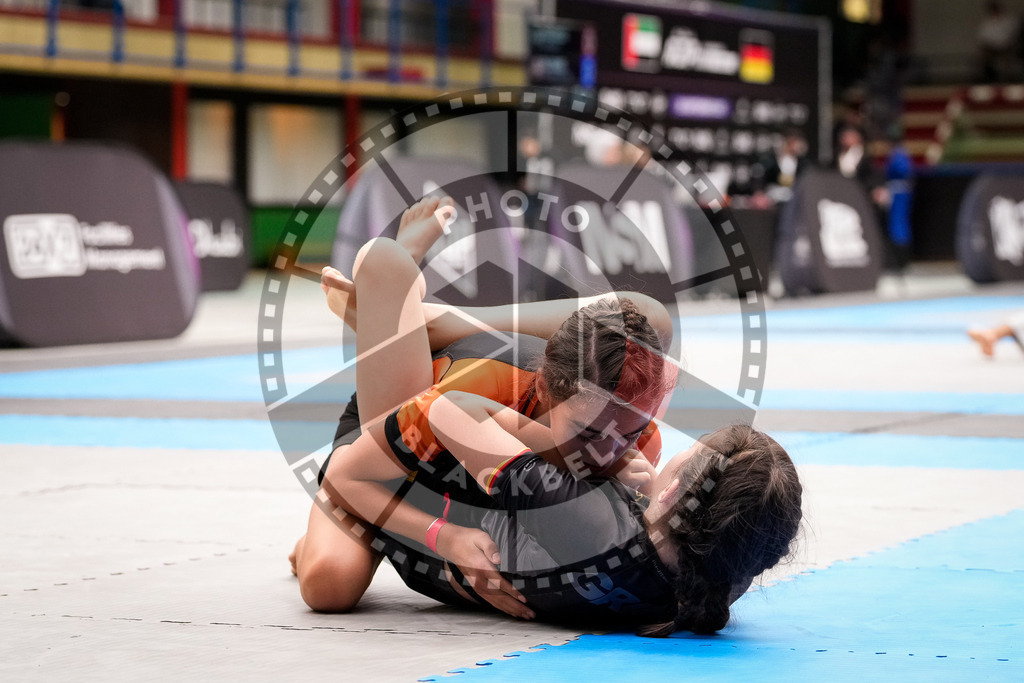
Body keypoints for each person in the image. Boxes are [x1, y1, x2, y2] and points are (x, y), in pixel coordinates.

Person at [294, 197, 803, 633]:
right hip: (407, 426)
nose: (612, 448)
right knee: (330, 586)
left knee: (327, 576)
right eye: (589, 432)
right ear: (545, 390)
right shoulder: (492, 386)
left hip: (467, 465)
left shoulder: (638, 455)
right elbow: (353, 475)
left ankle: (403, 321)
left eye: (626, 433)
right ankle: (410, 308)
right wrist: (442, 540)